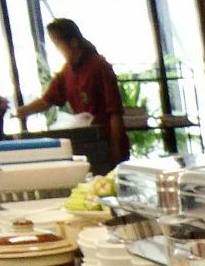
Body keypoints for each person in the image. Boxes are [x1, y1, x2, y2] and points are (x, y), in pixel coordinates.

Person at [16, 18, 129, 167]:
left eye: (58, 44)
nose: (57, 50)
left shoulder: (99, 66)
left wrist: (115, 151)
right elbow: (47, 100)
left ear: (73, 42)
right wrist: (21, 112)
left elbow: (115, 113)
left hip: (104, 143)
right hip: (85, 142)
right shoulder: (67, 71)